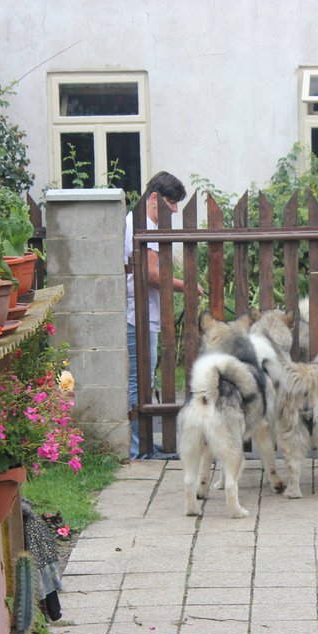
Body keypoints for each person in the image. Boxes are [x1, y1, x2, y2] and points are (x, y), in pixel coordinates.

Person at [125, 171, 203, 459]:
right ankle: (137, 449)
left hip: (143, 314)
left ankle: (143, 443)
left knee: (144, 379)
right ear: (154, 198)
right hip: (138, 317)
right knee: (139, 380)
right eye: (171, 203)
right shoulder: (143, 224)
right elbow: (153, 275)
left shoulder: (136, 222)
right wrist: (187, 287)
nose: (175, 210)